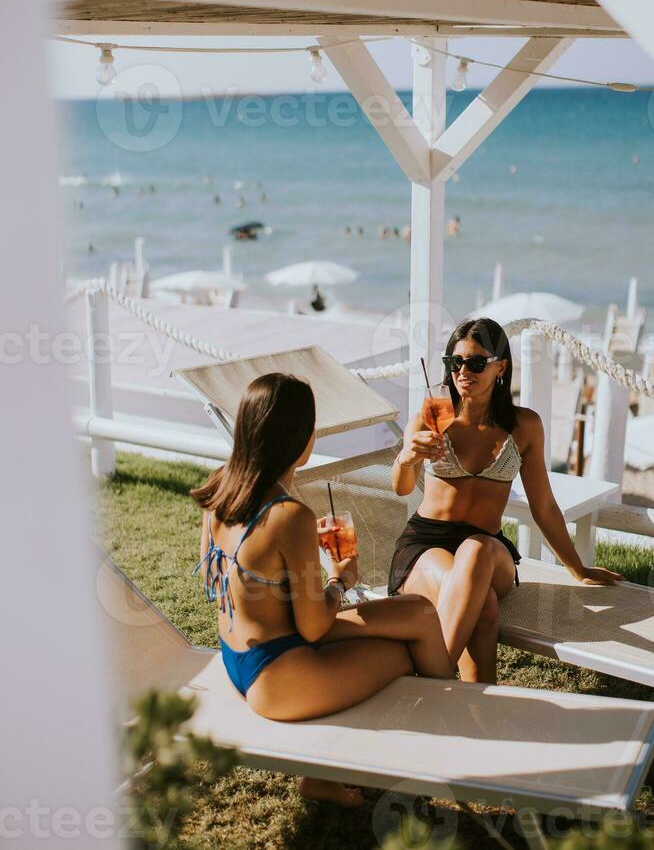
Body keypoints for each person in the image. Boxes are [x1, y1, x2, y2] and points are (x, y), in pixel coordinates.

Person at [191, 373, 452, 804]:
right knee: (401, 654)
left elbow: (211, 579)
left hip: (241, 655)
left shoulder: (222, 485)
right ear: (299, 437)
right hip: (277, 676)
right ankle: (446, 745)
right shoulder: (288, 515)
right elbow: (314, 628)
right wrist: (339, 579)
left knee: (418, 613)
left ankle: (450, 729)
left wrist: (280, 574)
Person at [389, 317, 622, 686]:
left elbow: (543, 505)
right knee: (481, 606)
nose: (464, 371)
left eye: (477, 362)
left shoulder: (524, 426)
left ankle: (428, 682)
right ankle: (479, 706)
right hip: (426, 544)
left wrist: (577, 567)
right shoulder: (432, 415)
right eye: (456, 363)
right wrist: (407, 457)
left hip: (488, 548)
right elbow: (402, 488)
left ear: (501, 367)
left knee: (477, 550)